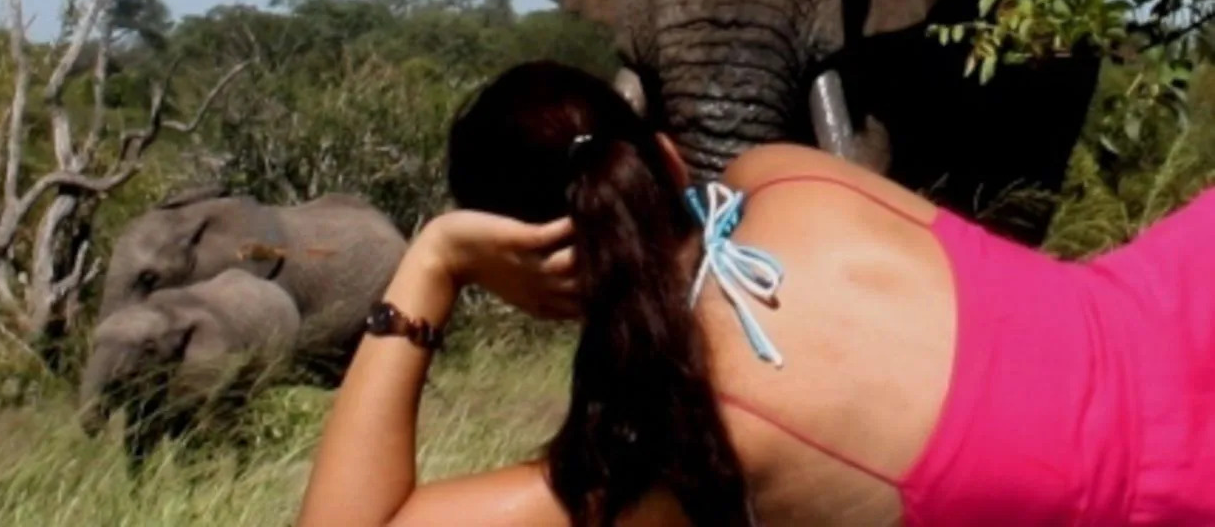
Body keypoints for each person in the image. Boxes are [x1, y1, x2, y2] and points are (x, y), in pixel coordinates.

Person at [294, 60, 1215, 527]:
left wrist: (432, 261)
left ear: (529, 277)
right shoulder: (789, 178)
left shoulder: (678, 448)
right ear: (661, 157)